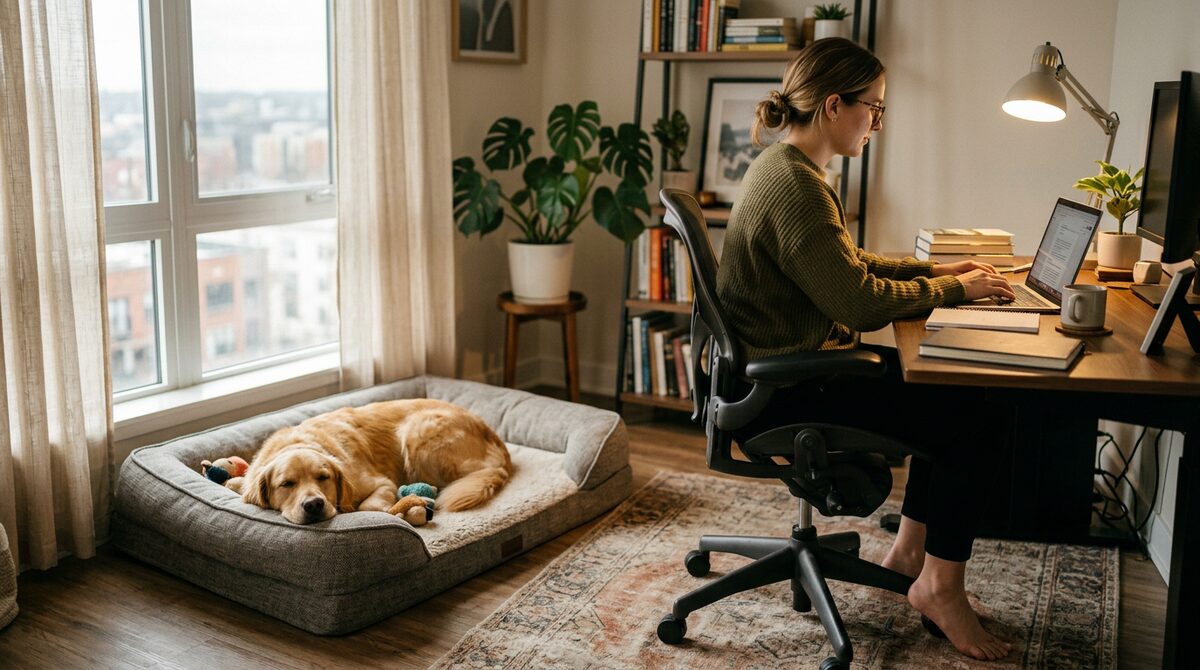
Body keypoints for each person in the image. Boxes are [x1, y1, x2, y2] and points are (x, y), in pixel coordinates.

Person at [714, 37, 1016, 662]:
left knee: (949, 388)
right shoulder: (797, 187)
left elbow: (847, 266)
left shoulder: (784, 167)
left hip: (775, 375)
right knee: (976, 415)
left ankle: (909, 557)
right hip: (784, 391)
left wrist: (934, 271)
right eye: (873, 108)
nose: (878, 122)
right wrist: (954, 290)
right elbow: (857, 302)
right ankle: (940, 588)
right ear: (833, 106)